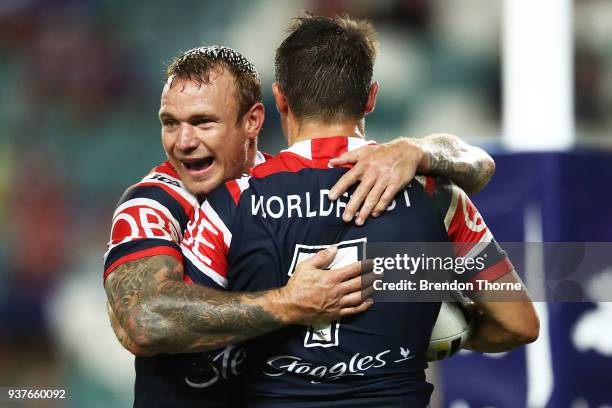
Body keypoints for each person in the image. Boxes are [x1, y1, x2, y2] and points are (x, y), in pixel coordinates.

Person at [104, 46, 497, 406]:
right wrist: (291, 303)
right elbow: (145, 321)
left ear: (253, 121)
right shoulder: (152, 203)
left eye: (203, 122)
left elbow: (478, 166)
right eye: (170, 123)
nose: (182, 141)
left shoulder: (292, 187)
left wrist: (420, 150)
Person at [185, 15, 539, 407]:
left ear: (280, 98)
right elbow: (519, 323)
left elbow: (185, 328)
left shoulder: (230, 203)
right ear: (371, 96)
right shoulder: (435, 194)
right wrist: (451, 330)